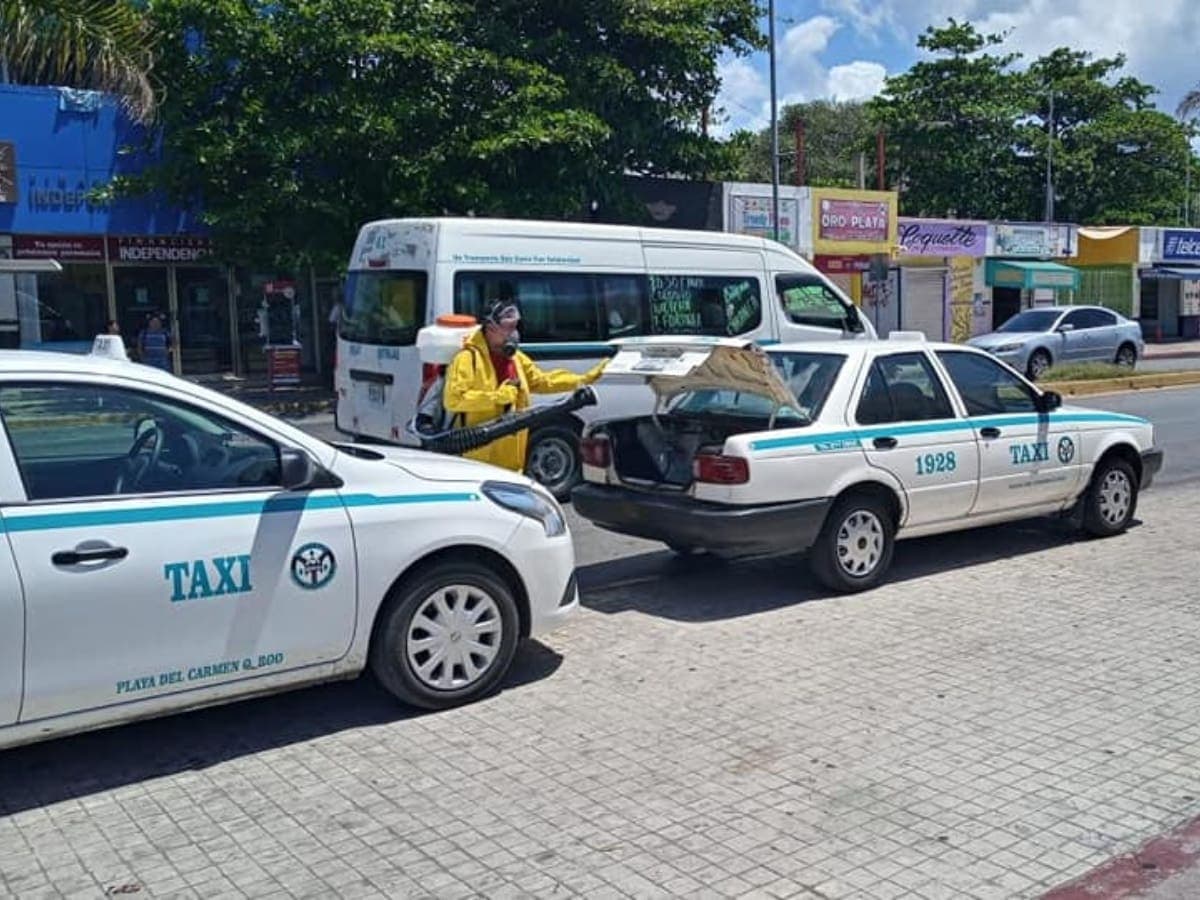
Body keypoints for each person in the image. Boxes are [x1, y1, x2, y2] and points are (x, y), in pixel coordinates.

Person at [443, 300, 607, 472]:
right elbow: (454, 399)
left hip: (512, 461)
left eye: (515, 326)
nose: (514, 333)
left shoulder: (515, 358)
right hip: (478, 462)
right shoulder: (468, 358)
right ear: (490, 328)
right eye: (509, 327)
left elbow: (542, 381)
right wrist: (498, 397)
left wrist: (582, 379)